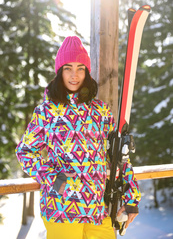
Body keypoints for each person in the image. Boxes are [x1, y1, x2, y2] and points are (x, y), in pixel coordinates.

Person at [15, 36, 141, 239]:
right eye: (68, 68)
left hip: (99, 211)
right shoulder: (46, 112)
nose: (74, 75)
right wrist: (52, 177)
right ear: (59, 72)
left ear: (87, 72)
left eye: (81, 68)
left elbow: (118, 155)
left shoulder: (100, 111)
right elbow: (25, 151)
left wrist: (131, 198)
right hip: (61, 211)